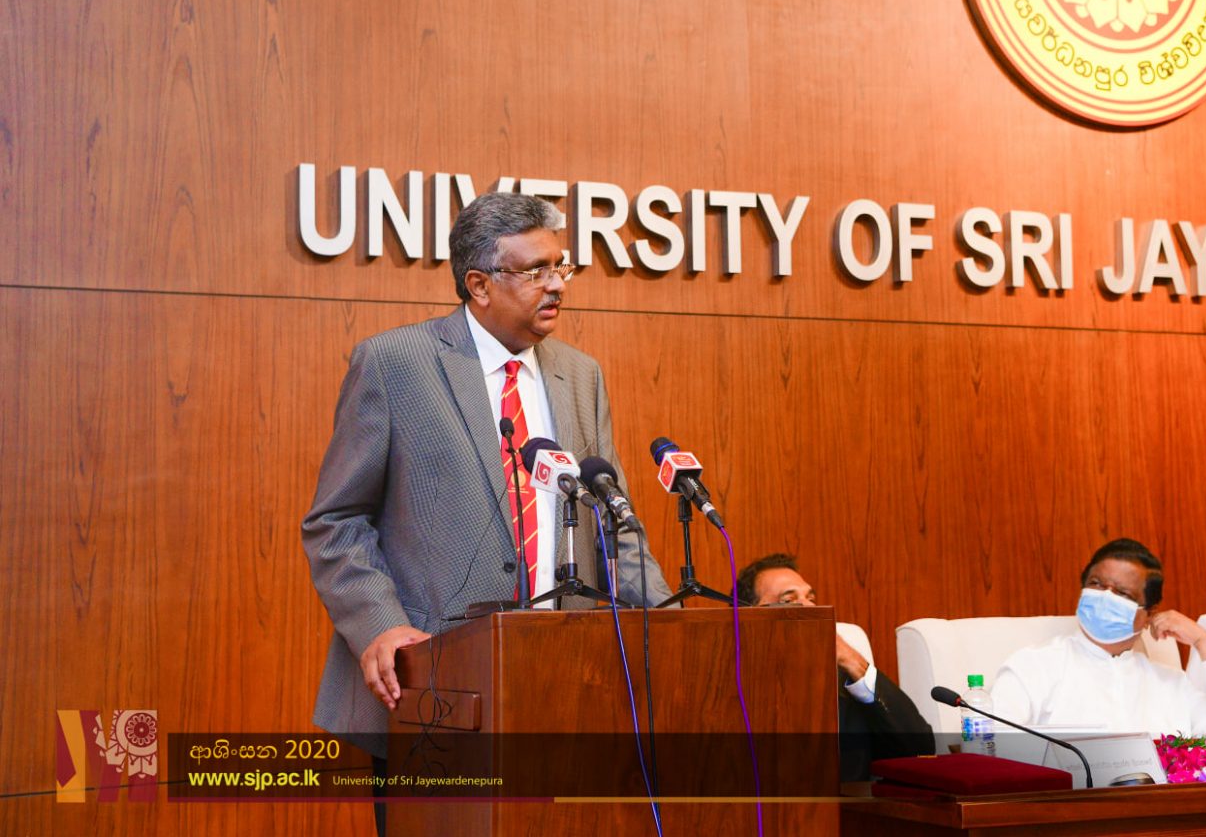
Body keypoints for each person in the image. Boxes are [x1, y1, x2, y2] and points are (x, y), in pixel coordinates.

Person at [302, 193, 673, 761]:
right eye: (536, 271)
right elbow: (336, 521)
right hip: (431, 684)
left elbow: (612, 521)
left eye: (561, 267)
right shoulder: (395, 363)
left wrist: (671, 627)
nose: (558, 285)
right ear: (479, 285)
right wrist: (380, 624)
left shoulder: (581, 375)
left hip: (563, 686)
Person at [987, 538, 1206, 736]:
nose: (1105, 596)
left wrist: (1204, 641)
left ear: (1148, 615)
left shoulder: (1172, 683)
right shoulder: (1034, 666)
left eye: (1123, 593)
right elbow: (994, 749)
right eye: (1096, 584)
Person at [737, 554, 935, 780]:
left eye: (811, 598)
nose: (809, 606)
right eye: (788, 600)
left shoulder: (846, 683)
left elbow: (919, 750)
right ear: (747, 615)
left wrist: (852, 661)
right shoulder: (735, 690)